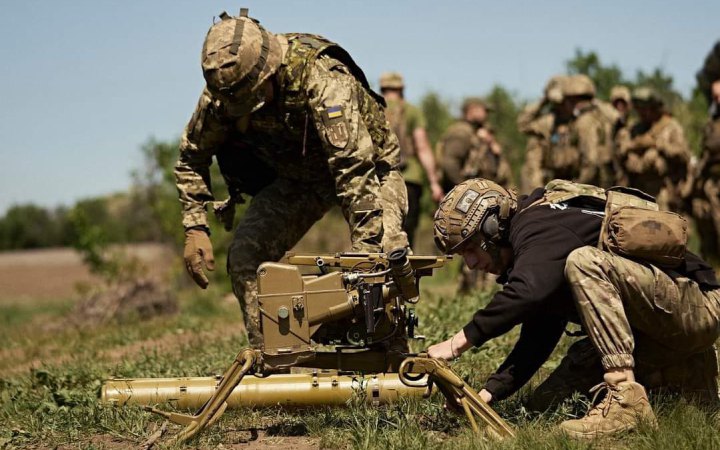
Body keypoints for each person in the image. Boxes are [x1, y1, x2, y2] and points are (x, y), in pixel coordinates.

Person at [175, 9, 408, 347]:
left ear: (270, 70)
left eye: (253, 99)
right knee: (244, 257)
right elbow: (191, 156)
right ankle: (278, 357)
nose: (245, 110)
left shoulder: (320, 75)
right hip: (300, 180)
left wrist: (366, 251)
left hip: (371, 171)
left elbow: (354, 169)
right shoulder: (224, 93)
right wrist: (195, 226)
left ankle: (391, 352)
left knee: (383, 255)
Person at [428, 178, 720, 438]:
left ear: (493, 229)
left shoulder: (538, 225)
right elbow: (539, 333)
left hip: (699, 307)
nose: (471, 264)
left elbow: (527, 292)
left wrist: (455, 344)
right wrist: (488, 394)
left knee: (585, 263)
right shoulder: (540, 242)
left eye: (469, 249)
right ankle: (687, 369)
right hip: (667, 317)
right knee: (545, 402)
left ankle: (625, 397)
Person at [437, 97, 513, 292]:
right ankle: (468, 292)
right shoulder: (460, 133)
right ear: (471, 110)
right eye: (483, 110)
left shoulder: (481, 133)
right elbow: (449, 163)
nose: (486, 115)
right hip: (469, 205)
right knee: (470, 245)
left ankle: (479, 291)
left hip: (485, 202)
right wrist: (464, 192)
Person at [379, 72, 444, 249]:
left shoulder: (373, 107)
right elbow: (422, 147)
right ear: (401, 89)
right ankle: (406, 272)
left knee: (375, 231)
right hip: (409, 179)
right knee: (406, 231)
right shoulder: (412, 111)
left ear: (382, 88)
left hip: (377, 178)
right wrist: (434, 182)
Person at [617, 87, 691, 211]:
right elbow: (621, 152)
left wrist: (659, 145)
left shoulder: (671, 126)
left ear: (655, 107)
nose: (642, 113)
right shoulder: (635, 129)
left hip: (664, 193)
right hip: (638, 192)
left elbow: (684, 155)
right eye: (639, 109)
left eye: (645, 109)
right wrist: (632, 146)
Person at [691, 79, 720, 266]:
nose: (717, 99)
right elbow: (706, 152)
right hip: (710, 183)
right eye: (715, 96)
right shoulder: (713, 123)